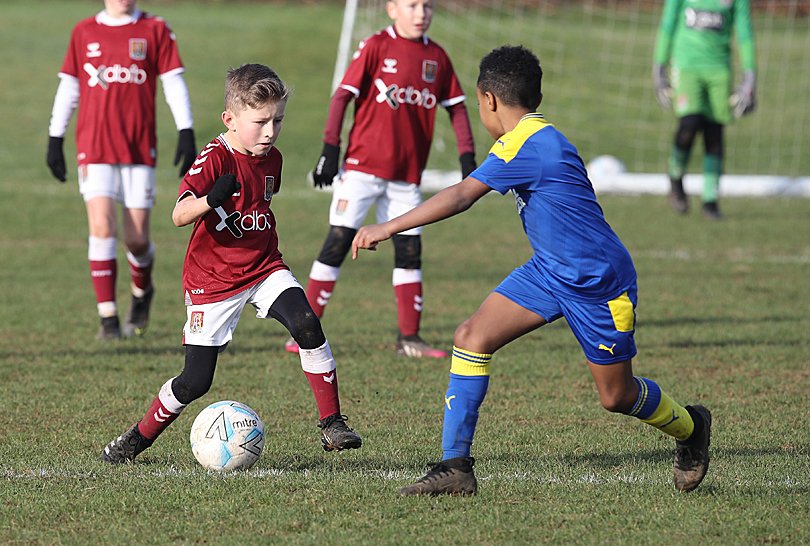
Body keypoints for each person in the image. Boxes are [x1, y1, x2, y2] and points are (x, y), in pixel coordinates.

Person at [352, 46, 712, 496]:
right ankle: (455, 468)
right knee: (471, 337)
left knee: (616, 397)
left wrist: (387, 226)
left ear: (488, 100)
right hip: (548, 271)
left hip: (596, 282)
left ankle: (691, 426)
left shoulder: (531, 144)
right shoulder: (531, 138)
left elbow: (463, 195)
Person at [101, 64, 362, 464]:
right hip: (213, 280)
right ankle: (135, 440)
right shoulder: (214, 158)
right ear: (230, 119)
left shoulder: (272, 158)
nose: (270, 131)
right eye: (260, 122)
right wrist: (210, 199)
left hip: (263, 266)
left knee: (307, 323)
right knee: (195, 381)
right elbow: (178, 215)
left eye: (278, 120)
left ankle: (332, 423)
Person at [285, 0, 477, 358]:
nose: (421, 13)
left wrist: (467, 157)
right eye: (412, 5)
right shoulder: (376, 46)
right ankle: (302, 332)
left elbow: (457, 107)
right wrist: (331, 148)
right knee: (337, 242)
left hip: (406, 176)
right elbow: (342, 96)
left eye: (427, 6)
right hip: (360, 168)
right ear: (392, 9)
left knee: (409, 251)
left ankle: (410, 339)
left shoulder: (437, 57)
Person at [46, 0, 198, 339]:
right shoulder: (84, 31)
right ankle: (109, 320)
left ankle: (142, 293)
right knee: (101, 227)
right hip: (94, 145)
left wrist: (185, 130)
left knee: (137, 239)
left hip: (139, 148)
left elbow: (173, 82)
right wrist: (55, 137)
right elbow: (70, 87)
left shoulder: (155, 28)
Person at [653, 0, 756, 219]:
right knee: (689, 124)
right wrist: (659, 69)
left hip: (719, 69)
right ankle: (675, 179)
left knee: (714, 133)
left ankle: (710, 200)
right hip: (686, 65)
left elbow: (745, 32)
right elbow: (668, 23)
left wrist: (750, 78)